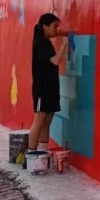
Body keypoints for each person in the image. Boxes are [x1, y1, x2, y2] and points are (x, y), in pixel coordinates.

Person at [28, 13, 68, 155]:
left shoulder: (46, 42)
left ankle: (42, 153)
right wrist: (64, 44)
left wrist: (61, 33)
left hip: (50, 88)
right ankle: (31, 155)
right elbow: (56, 60)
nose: (57, 30)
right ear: (45, 26)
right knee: (40, 119)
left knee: (48, 119)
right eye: (55, 26)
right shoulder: (42, 43)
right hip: (42, 89)